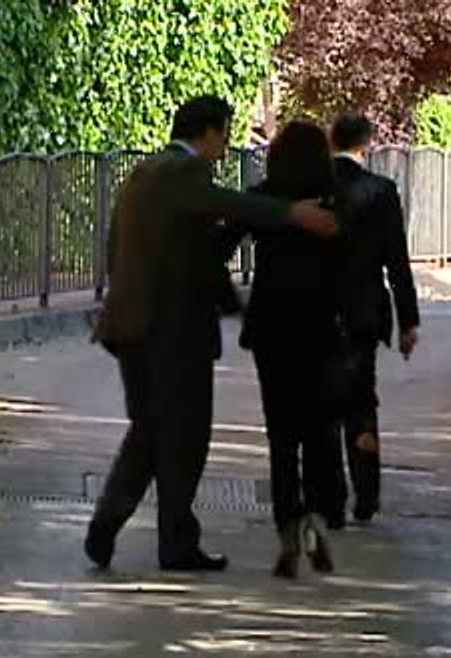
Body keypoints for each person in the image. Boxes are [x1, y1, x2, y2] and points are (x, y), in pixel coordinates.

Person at [86, 95, 339, 572]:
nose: (226, 144)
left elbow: (135, 243)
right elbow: (228, 204)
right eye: (224, 133)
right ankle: (176, 542)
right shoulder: (185, 174)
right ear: (206, 132)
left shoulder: (145, 172)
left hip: (131, 325)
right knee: (184, 437)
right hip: (172, 332)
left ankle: (107, 525)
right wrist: (293, 214)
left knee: (148, 433)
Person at [231, 120, 345, 578]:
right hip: (322, 327)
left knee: (281, 435)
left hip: (272, 328)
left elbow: (220, 240)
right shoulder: (337, 201)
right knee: (320, 431)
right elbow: (355, 265)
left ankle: (286, 527)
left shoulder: (263, 198)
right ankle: (318, 516)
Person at [329, 112, 421, 527]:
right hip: (364, 312)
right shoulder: (381, 192)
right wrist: (408, 321)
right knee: (361, 401)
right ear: (366, 144)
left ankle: (327, 491)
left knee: (322, 404)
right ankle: (365, 494)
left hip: (317, 312)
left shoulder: (315, 186)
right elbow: (396, 261)